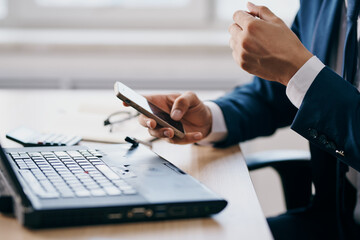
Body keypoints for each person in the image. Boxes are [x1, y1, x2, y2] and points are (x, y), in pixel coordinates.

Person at [132, 1, 360, 239]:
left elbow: (301, 76)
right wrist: (211, 119)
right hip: (333, 221)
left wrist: (297, 71)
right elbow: (274, 95)